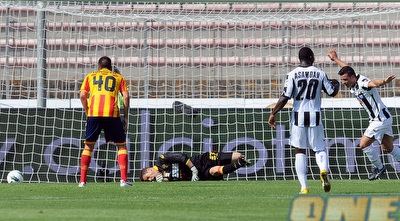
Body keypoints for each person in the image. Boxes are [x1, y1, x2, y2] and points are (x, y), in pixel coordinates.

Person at [268, 47, 339, 194]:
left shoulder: (292, 74)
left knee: (299, 151)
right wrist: (336, 82)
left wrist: (273, 113)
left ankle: (304, 187)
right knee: (319, 148)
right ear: (312, 57)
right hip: (315, 115)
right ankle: (323, 169)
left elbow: (285, 97)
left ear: (299, 59)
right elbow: (332, 92)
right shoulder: (320, 73)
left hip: (298, 116)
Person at [328, 48, 400, 181]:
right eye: (342, 80)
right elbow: (346, 67)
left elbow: (373, 83)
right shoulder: (353, 79)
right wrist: (335, 59)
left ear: (352, 77)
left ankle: (379, 167)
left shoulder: (362, 83)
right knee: (388, 148)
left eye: (345, 80)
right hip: (383, 117)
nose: (344, 83)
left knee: (363, 144)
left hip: (380, 119)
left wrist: (384, 81)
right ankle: (380, 166)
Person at [78, 56, 131, 187]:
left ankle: (82, 181)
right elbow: (126, 95)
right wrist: (126, 117)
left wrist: (87, 112)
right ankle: (123, 180)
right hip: (112, 114)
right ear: (111, 67)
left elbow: (82, 95)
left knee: (88, 146)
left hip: (94, 114)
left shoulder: (90, 76)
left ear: (98, 67)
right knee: (121, 145)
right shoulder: (118, 77)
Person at [140, 151, 250, 182]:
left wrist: (193, 169)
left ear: (149, 169)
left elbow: (181, 157)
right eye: (148, 180)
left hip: (200, 161)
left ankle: (241, 160)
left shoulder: (161, 160)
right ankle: (240, 164)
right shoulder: (162, 181)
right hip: (200, 175)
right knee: (215, 171)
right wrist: (164, 182)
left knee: (238, 155)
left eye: (148, 177)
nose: (150, 180)